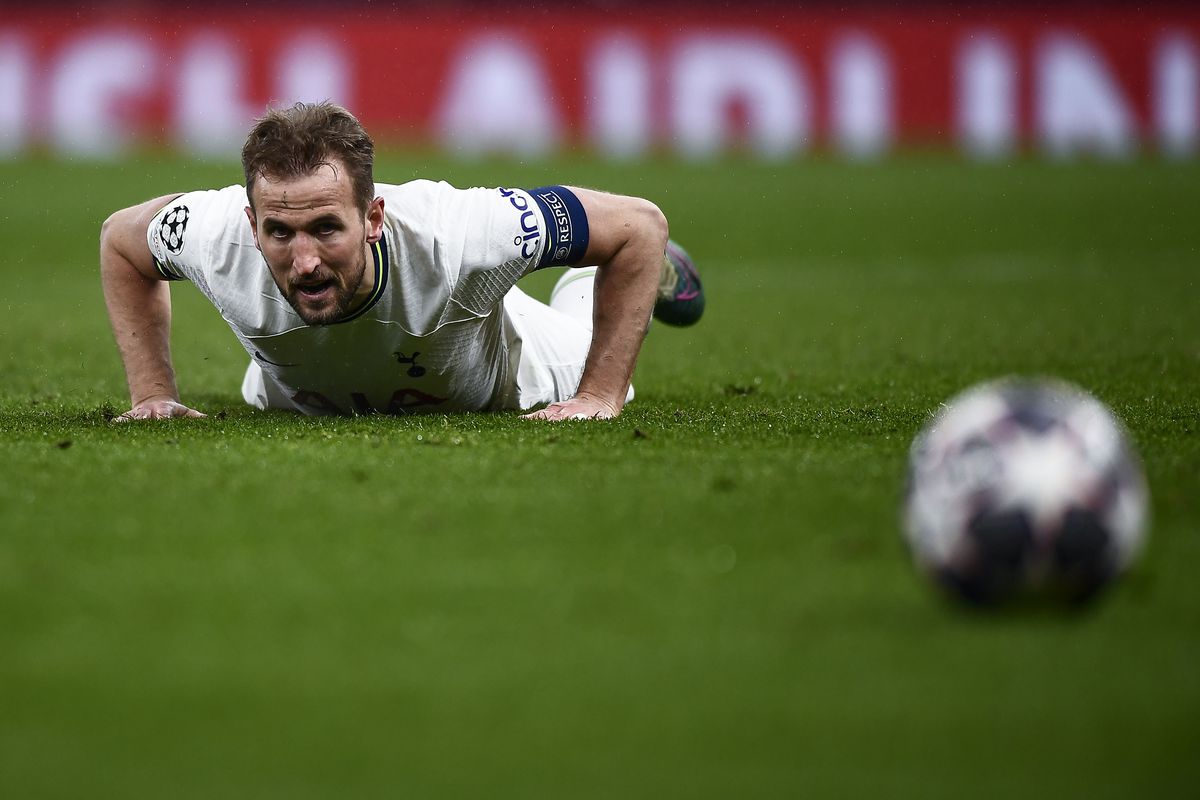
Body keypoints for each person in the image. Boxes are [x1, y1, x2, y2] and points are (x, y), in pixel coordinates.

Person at [100, 101, 704, 422]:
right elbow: (120, 241)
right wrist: (153, 394)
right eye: (280, 232)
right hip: (295, 393)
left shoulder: (464, 235)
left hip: (521, 373)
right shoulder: (213, 235)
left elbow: (637, 226)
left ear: (373, 218)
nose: (304, 261)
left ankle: (587, 286)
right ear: (252, 222)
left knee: (601, 306)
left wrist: (599, 396)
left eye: (326, 228)